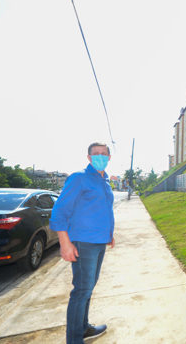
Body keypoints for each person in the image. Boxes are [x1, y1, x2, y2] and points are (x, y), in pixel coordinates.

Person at [50, 142, 115, 344]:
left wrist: (109, 234)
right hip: (83, 242)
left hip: (99, 242)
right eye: (96, 154)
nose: (100, 157)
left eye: (104, 154)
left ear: (109, 157)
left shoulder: (104, 182)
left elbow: (102, 210)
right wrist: (65, 242)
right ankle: (74, 339)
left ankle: (84, 328)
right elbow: (60, 211)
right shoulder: (79, 178)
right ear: (88, 157)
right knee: (81, 291)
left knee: (88, 288)